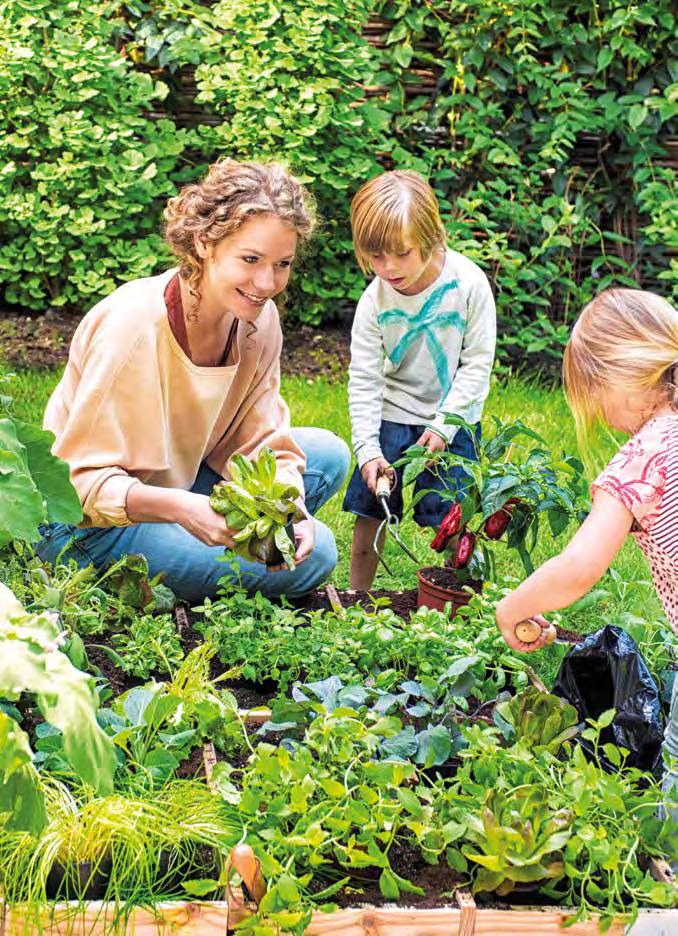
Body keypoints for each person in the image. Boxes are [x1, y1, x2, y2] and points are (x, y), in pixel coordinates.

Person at [36, 159, 350, 602]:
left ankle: (210, 546)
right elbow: (76, 485)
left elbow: (260, 441)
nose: (267, 282)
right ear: (204, 243)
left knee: (327, 455)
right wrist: (186, 511)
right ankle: (126, 571)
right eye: (250, 259)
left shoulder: (258, 322)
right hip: (86, 526)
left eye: (282, 264)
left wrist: (290, 503)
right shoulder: (134, 328)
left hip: (174, 484)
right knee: (319, 558)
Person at [495, 288, 677, 809]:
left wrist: (515, 607)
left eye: (592, 393)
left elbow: (579, 567)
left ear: (617, 378)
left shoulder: (643, 459)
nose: (597, 410)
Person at [342, 170, 496, 589]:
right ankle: (358, 599)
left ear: (431, 238)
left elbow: (477, 365)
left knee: (449, 519)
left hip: (454, 419)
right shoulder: (373, 302)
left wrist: (445, 425)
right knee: (370, 514)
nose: (388, 268)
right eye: (375, 256)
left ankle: (457, 605)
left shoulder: (468, 286)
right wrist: (367, 450)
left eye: (401, 254)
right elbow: (364, 380)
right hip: (392, 416)